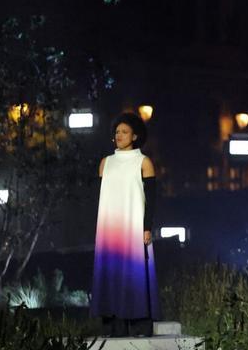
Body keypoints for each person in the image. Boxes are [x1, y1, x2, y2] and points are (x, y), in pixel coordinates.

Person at [91, 112, 160, 338]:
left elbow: (151, 198)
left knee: (136, 275)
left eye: (125, 132)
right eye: (117, 132)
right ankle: (114, 326)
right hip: (110, 228)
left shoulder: (144, 162)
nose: (119, 135)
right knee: (111, 274)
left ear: (135, 136)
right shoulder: (105, 163)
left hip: (134, 226)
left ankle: (140, 326)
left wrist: (147, 227)